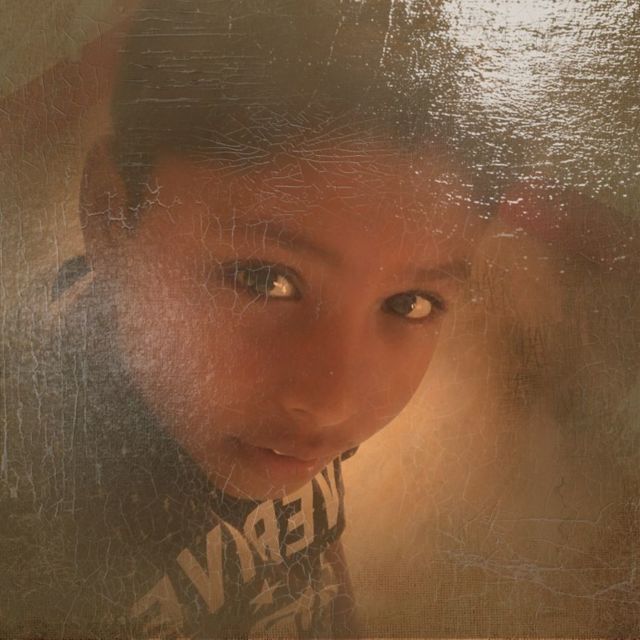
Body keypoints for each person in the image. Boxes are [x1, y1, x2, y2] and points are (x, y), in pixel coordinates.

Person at [0, 1, 486, 637]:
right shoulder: (33, 489)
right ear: (112, 216)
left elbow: (307, 550)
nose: (332, 405)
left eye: (408, 303)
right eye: (265, 279)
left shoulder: (268, 414)